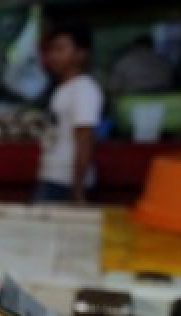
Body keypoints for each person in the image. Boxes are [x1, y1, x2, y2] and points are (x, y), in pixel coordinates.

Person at [35, 24, 103, 204]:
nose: (53, 56)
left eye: (60, 49)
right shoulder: (63, 89)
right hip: (52, 176)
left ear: (81, 54)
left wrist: (77, 189)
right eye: (51, 50)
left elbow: (84, 139)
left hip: (65, 183)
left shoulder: (84, 89)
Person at [108, 35, 173, 95]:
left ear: (134, 46)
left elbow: (113, 88)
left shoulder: (124, 62)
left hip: (132, 102)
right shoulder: (163, 61)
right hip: (165, 100)